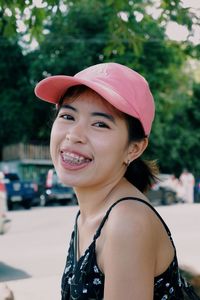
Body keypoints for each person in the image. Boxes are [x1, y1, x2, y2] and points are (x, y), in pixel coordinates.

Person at [35, 63, 199, 299]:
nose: (74, 134)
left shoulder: (127, 222)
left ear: (134, 149)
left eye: (100, 124)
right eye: (68, 116)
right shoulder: (90, 213)